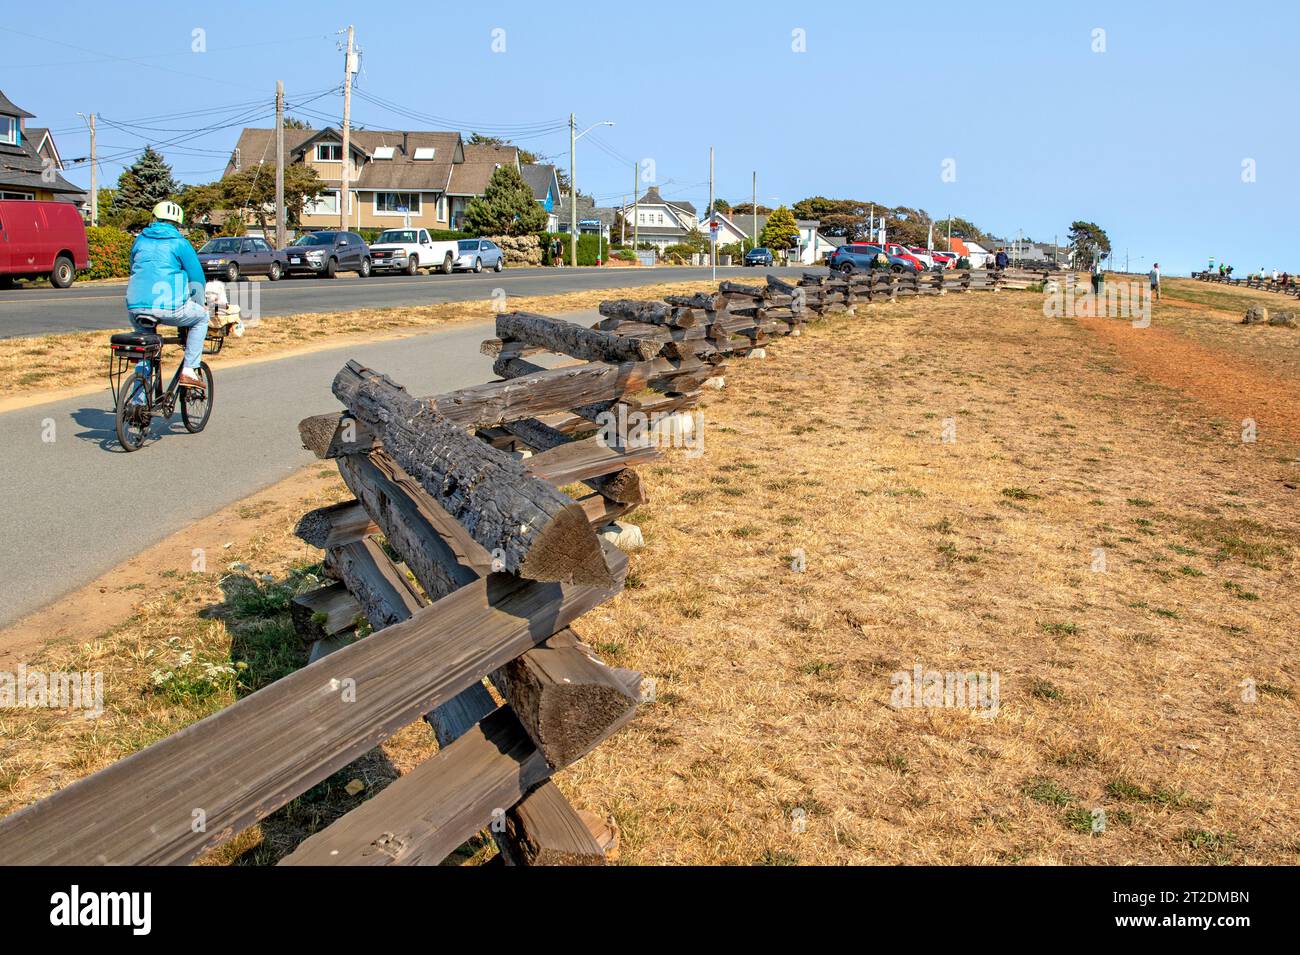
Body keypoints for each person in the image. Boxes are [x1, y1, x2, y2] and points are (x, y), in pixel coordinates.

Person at [125, 201, 208, 390]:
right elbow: (196, 278)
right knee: (201, 318)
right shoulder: (181, 243)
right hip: (169, 307)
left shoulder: (140, 240)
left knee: (146, 351)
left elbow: (133, 268)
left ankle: (138, 403)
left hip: (135, 307)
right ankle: (189, 369)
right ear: (177, 223)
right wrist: (199, 302)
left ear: (154, 218)